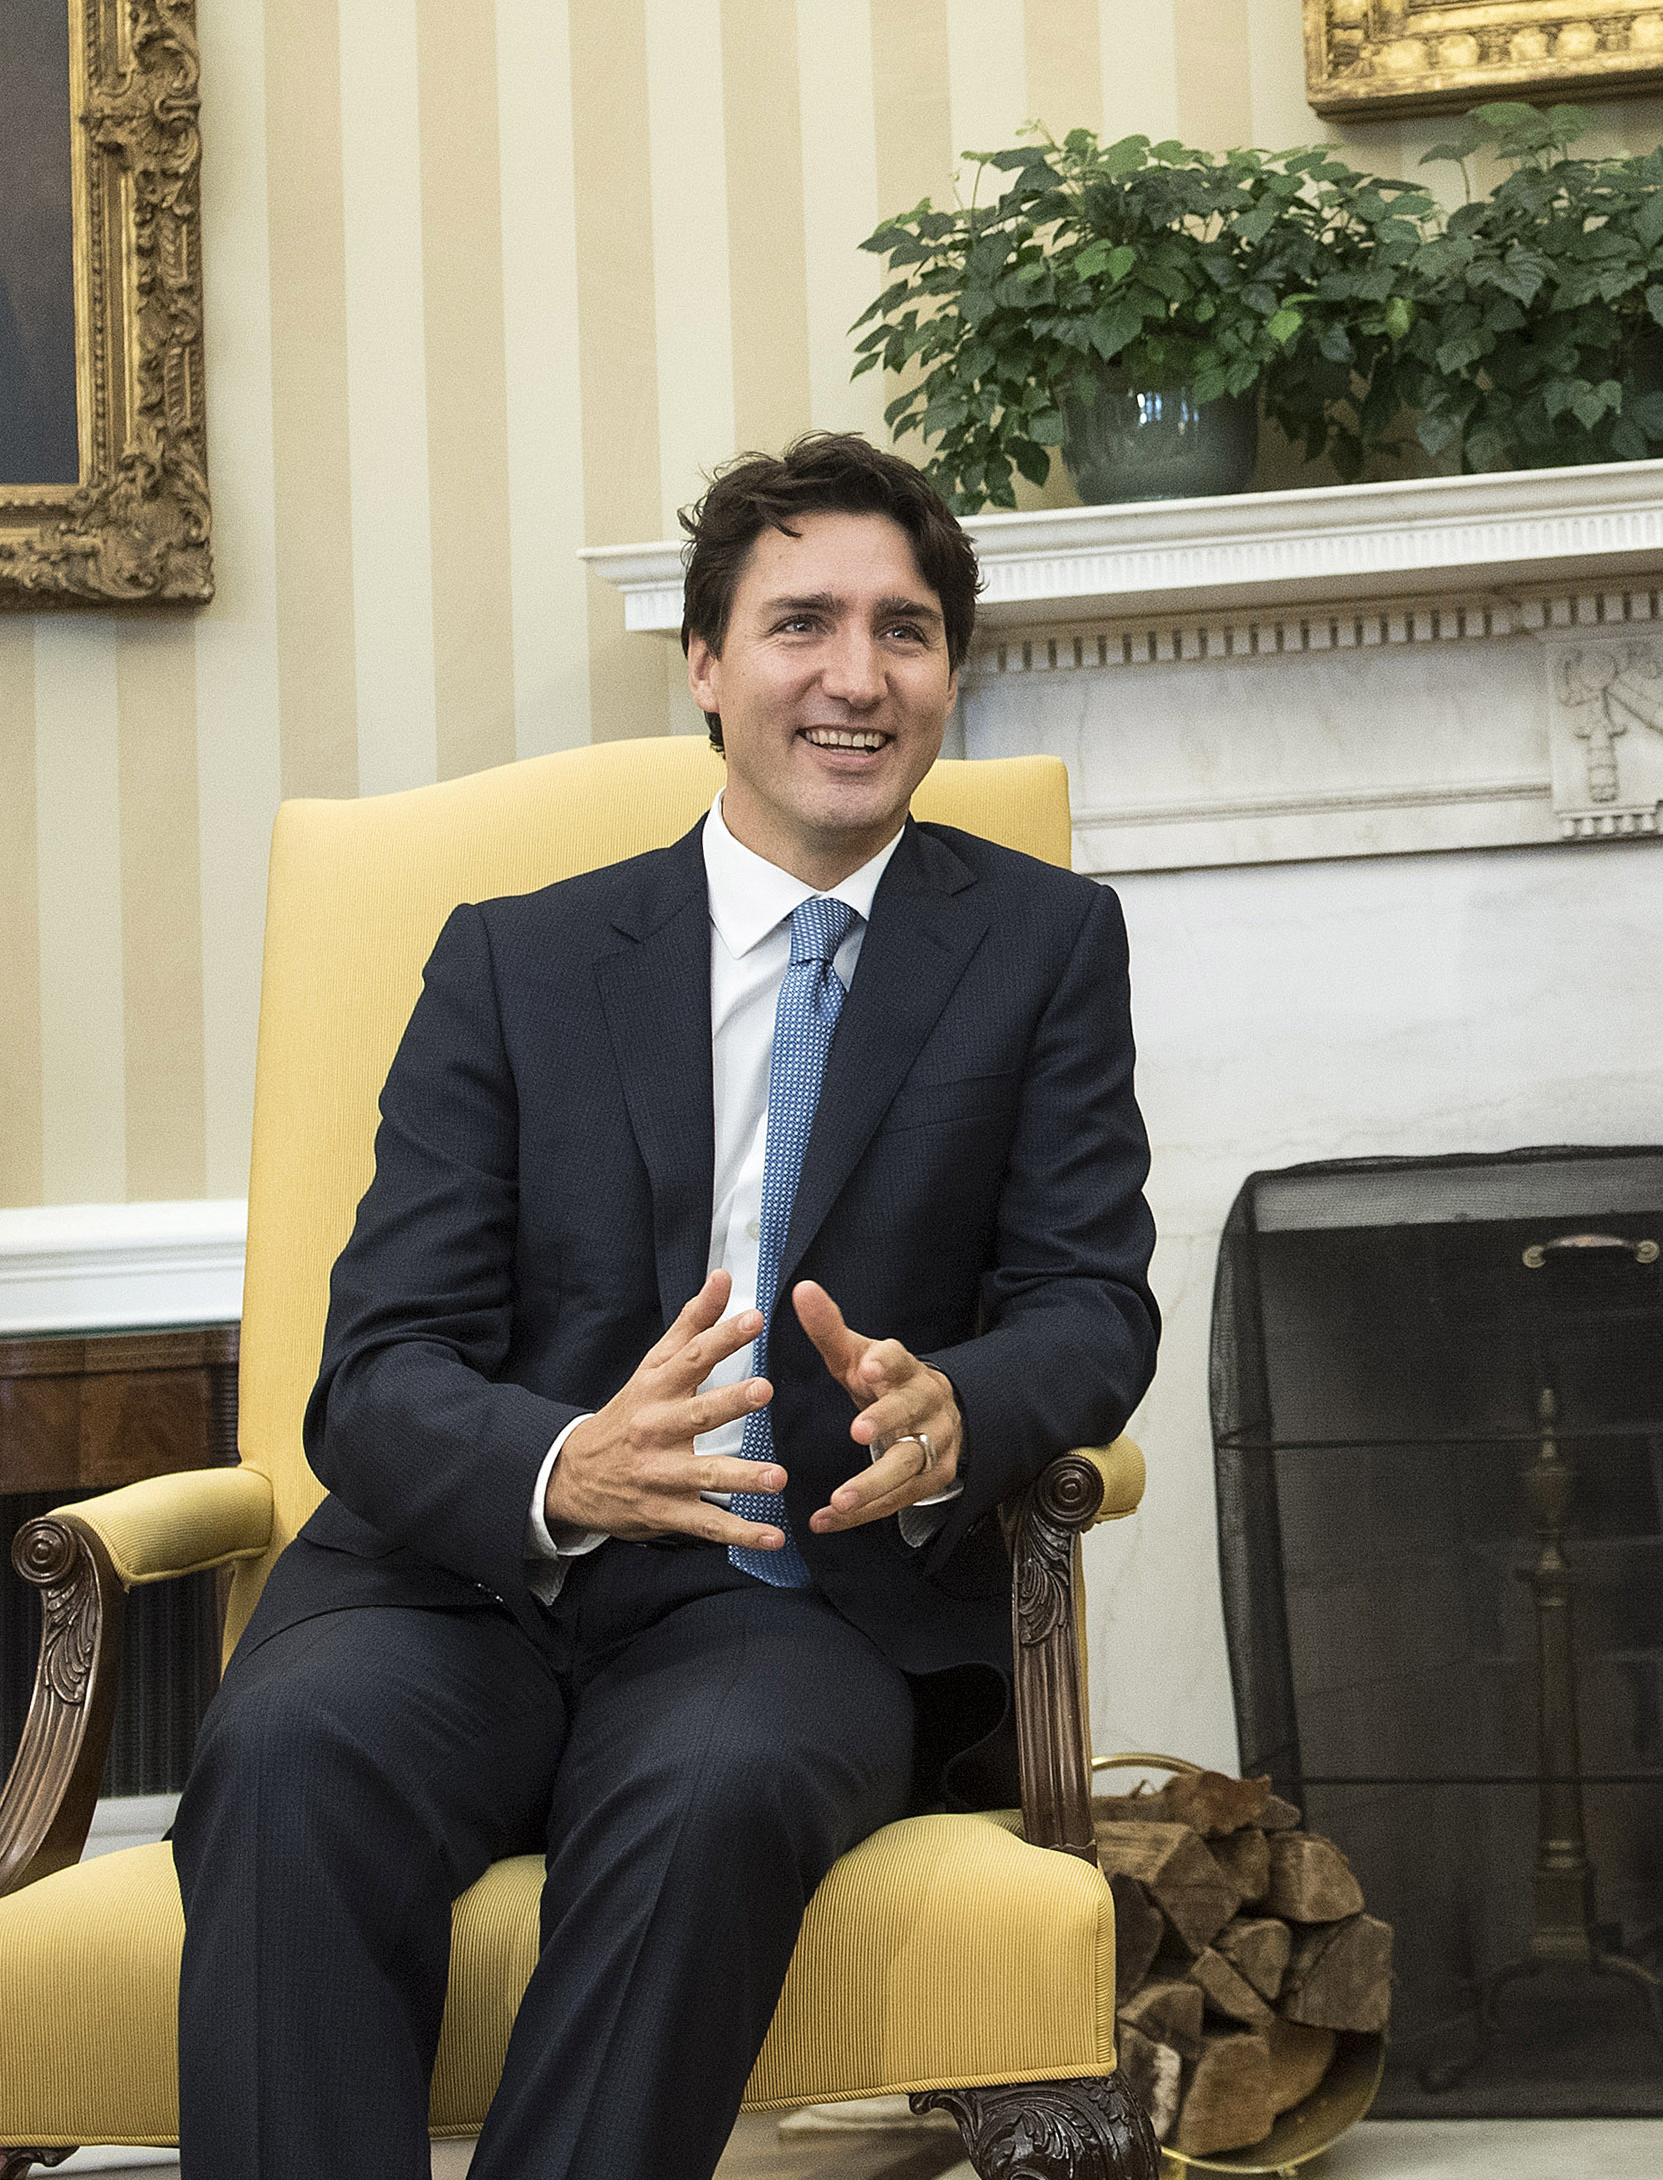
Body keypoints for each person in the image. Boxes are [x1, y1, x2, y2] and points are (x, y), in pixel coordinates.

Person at [170, 432, 1161, 2180]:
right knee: (294, 1754)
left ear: (951, 671)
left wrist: (964, 1413)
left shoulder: (1042, 943)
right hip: (463, 1577)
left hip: (791, 1598)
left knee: (714, 1795)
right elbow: (378, 1369)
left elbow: (1091, 1303)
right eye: (801, 626)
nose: (856, 678)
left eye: (905, 629)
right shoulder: (516, 958)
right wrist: (569, 1459)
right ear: (705, 668)